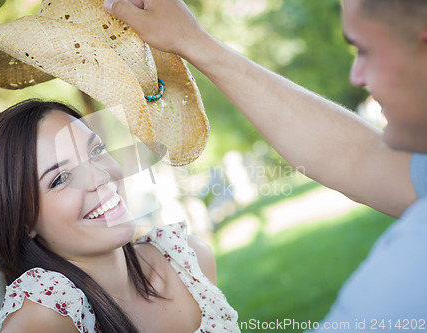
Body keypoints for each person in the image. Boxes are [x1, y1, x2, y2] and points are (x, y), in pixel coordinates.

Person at [103, 0, 427, 330]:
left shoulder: (410, 272)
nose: (357, 76)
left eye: (365, 49)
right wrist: (193, 42)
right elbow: (356, 158)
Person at [0, 99, 240, 332]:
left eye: (96, 151)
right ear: (23, 222)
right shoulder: (47, 315)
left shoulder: (188, 260)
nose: (100, 175)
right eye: (60, 178)